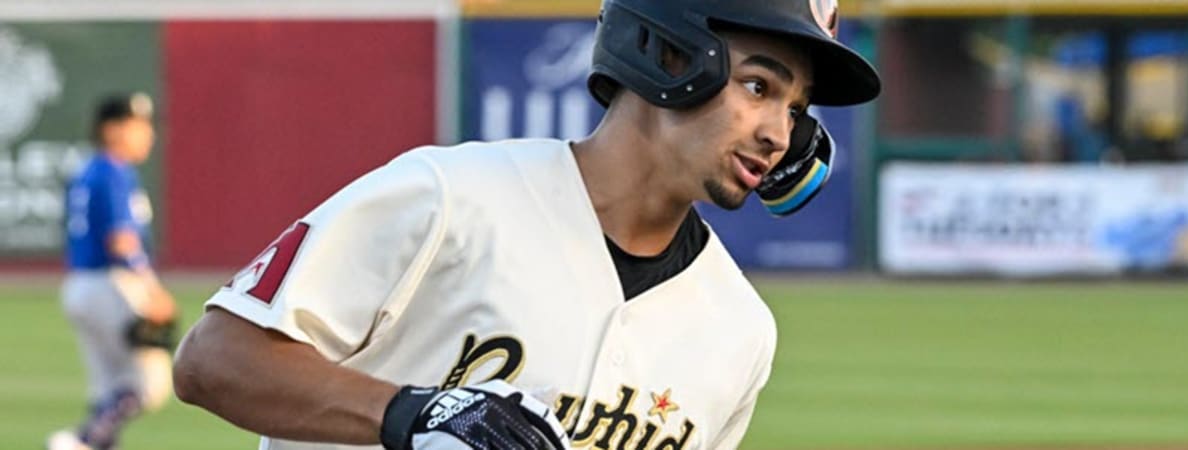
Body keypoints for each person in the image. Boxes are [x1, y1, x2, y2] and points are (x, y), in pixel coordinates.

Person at [173, 0, 880, 448]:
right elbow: (214, 360)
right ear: (668, 53)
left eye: (795, 108)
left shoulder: (740, 331)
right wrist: (412, 415)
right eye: (759, 87)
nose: (779, 135)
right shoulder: (450, 197)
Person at [48, 92, 179, 450]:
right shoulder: (114, 170)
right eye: (138, 126)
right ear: (112, 129)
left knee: (108, 389)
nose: (147, 134)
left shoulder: (86, 171)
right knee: (149, 385)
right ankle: (79, 441)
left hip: (78, 284)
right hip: (112, 283)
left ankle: (90, 441)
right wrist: (152, 289)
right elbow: (121, 240)